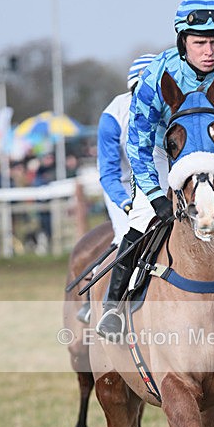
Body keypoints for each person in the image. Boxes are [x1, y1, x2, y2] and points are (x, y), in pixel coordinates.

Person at [96, 0, 214, 338]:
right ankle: (113, 309)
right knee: (142, 217)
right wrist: (156, 195)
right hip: (163, 153)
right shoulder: (159, 74)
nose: (209, 52)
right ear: (182, 40)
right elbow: (138, 142)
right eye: (199, 42)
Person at [77, 53, 156, 323]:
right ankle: (107, 306)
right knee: (127, 233)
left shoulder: (171, 110)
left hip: (164, 185)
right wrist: (126, 203)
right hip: (125, 189)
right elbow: (109, 173)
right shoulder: (113, 116)